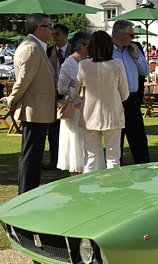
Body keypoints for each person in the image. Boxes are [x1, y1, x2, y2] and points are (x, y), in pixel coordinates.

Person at [4, 14, 58, 194]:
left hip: (38, 110)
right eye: (50, 26)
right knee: (31, 156)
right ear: (39, 29)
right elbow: (23, 81)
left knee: (33, 156)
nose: (53, 30)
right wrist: (12, 100)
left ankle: (28, 192)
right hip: (33, 110)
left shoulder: (36, 47)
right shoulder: (31, 48)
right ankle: (26, 194)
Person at [76, 31, 129, 172]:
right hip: (112, 113)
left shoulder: (84, 65)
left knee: (91, 157)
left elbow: (77, 91)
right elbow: (124, 92)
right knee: (113, 157)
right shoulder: (117, 64)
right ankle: (112, 190)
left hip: (90, 114)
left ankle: (90, 191)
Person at [111, 19, 151, 166]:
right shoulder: (107, 50)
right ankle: (115, 168)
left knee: (138, 137)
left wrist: (136, 57)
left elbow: (145, 71)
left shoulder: (135, 48)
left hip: (132, 99)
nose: (133, 38)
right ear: (121, 35)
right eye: (132, 35)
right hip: (114, 99)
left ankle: (144, 167)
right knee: (116, 137)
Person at [57, 30, 90, 175]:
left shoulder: (88, 61)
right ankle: (75, 176)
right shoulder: (68, 64)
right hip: (74, 111)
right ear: (82, 46)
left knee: (87, 145)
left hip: (86, 108)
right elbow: (61, 88)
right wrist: (78, 88)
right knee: (75, 147)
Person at [44, 23, 69, 171]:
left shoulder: (74, 52)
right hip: (53, 93)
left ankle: (71, 159)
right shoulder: (48, 52)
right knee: (54, 128)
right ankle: (54, 159)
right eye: (53, 34)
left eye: (57, 34)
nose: (54, 37)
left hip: (70, 94)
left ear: (65, 35)